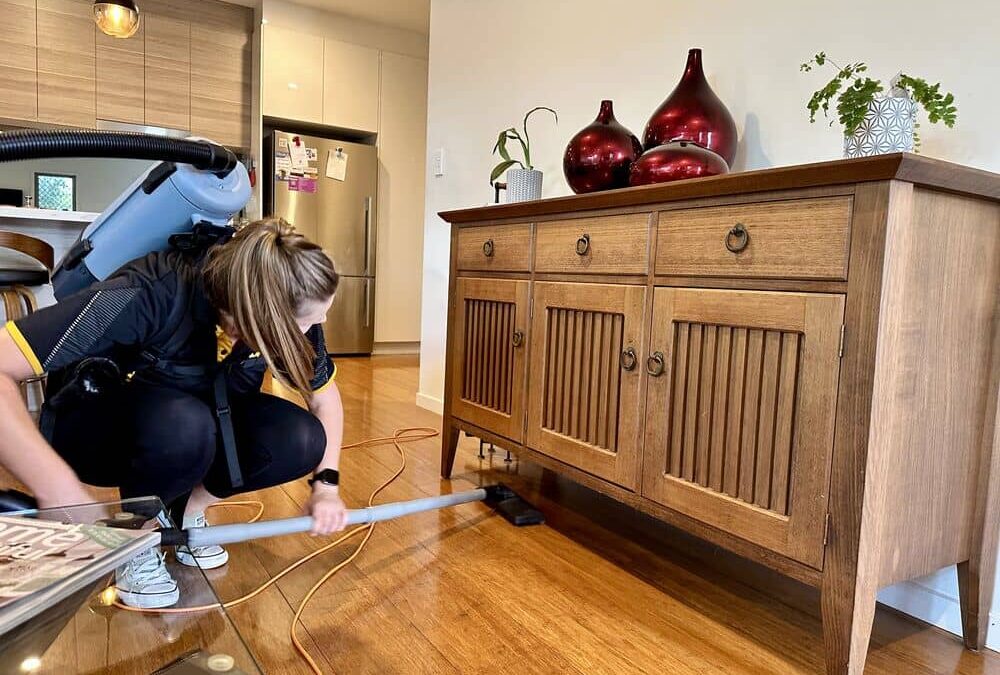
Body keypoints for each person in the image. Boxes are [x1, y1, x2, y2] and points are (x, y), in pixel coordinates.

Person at [0, 218, 348, 608]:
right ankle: (135, 535)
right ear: (259, 320)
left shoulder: (285, 305)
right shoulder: (147, 292)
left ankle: (184, 512)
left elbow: (325, 401)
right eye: (308, 322)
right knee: (187, 427)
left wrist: (327, 487)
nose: (317, 327)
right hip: (101, 431)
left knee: (302, 439)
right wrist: (58, 490)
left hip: (198, 423)